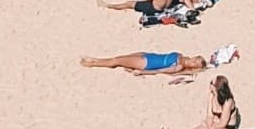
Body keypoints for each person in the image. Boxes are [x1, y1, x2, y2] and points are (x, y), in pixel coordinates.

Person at [152, 74, 239, 129]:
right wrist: (209, 125)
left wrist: (211, 128)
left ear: (216, 87)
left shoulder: (228, 102)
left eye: (211, 83)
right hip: (213, 124)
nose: (209, 85)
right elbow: (209, 115)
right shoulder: (212, 96)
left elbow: (223, 123)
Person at [82, 50, 211, 74]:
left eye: (196, 63)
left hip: (147, 64)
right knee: (119, 59)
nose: (194, 61)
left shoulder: (179, 66)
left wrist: (142, 72)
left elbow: (161, 70)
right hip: (149, 55)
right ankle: (96, 60)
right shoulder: (181, 56)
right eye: (196, 59)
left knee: (116, 61)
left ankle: (93, 63)